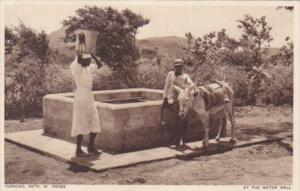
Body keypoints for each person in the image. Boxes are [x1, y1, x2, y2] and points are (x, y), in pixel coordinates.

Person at [70, 52, 103, 157]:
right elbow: (78, 59)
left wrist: (92, 54)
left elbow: (99, 65)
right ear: (82, 61)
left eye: (90, 60)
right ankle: (78, 150)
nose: (90, 61)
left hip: (89, 97)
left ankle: (90, 147)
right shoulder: (77, 69)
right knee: (80, 122)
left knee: (95, 121)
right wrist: (81, 47)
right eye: (87, 60)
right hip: (81, 97)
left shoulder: (88, 68)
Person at [163, 58, 194, 146]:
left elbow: (191, 85)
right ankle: (176, 139)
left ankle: (180, 140)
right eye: (176, 67)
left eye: (180, 67)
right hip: (172, 100)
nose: (178, 69)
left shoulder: (185, 76)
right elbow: (166, 86)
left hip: (182, 101)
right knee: (175, 121)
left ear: (182, 67)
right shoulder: (170, 74)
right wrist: (165, 98)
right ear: (174, 67)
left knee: (181, 120)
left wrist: (186, 91)